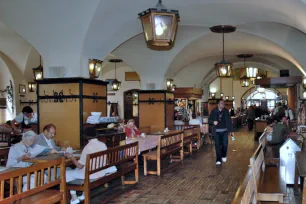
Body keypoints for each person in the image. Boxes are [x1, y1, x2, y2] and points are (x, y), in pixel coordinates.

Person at [65, 138, 117, 204]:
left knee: (67, 173)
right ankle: (84, 194)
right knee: (75, 170)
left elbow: (80, 166)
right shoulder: (103, 144)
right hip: (100, 172)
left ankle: (74, 198)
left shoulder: (87, 147)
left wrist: (71, 156)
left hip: (91, 175)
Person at [208, 99, 234, 165]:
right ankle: (218, 159)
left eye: (223, 103)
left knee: (225, 145)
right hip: (216, 132)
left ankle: (224, 155)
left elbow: (229, 121)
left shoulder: (226, 111)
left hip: (225, 131)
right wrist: (213, 122)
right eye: (222, 103)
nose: (223, 104)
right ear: (218, 104)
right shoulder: (213, 111)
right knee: (217, 145)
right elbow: (209, 120)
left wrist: (231, 131)